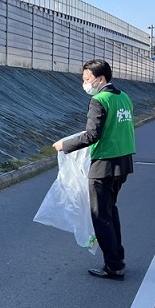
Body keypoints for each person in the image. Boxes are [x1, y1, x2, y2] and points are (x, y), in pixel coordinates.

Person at [54, 59, 135, 280]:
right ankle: (118, 258)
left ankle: (113, 266)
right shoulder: (124, 97)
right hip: (124, 162)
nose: (85, 83)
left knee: (100, 216)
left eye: (87, 79)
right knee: (111, 212)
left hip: (104, 165)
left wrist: (65, 146)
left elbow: (92, 135)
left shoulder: (99, 100)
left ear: (100, 79)